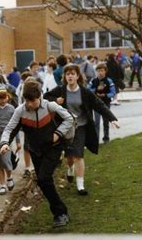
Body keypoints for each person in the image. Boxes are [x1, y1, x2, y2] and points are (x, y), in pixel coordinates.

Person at [0, 80, 74, 228]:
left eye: (32, 101)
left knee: (44, 178)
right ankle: (61, 212)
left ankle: (60, 213)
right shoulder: (20, 111)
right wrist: (5, 143)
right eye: (27, 100)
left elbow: (69, 118)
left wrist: (58, 134)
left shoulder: (50, 106)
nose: (30, 104)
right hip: (35, 150)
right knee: (43, 181)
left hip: (54, 147)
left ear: (39, 96)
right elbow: (9, 129)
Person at [44, 64, 119, 196]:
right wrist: (56, 101)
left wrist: (112, 118)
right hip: (66, 127)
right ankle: (70, 168)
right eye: (68, 74)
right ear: (65, 77)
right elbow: (45, 97)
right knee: (70, 156)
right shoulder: (61, 90)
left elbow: (99, 105)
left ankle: (80, 185)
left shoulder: (85, 92)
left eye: (73, 73)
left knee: (78, 155)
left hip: (81, 127)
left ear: (78, 76)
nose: (70, 76)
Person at [88, 63, 116, 143]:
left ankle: (106, 138)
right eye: (98, 70)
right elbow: (88, 90)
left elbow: (113, 92)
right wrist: (96, 90)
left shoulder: (109, 81)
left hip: (106, 103)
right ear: (96, 71)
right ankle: (96, 139)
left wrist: (106, 95)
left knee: (106, 121)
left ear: (105, 71)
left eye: (102, 71)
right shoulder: (93, 81)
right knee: (96, 122)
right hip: (96, 104)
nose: (100, 72)